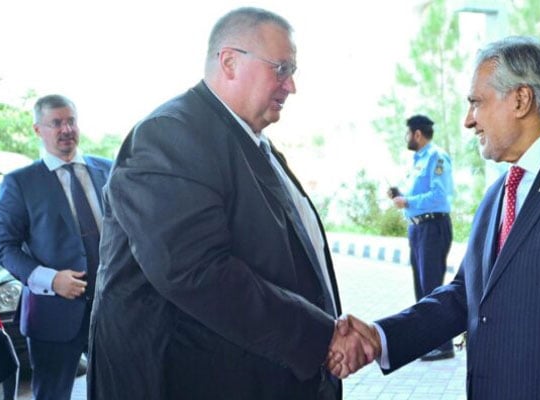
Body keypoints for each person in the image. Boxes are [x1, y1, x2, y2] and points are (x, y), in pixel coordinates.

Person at [328, 36, 540, 399]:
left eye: (476, 103)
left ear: (521, 100)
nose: (468, 121)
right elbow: (466, 295)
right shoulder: (500, 193)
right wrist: (380, 338)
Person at [87, 7, 375, 400]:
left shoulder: (250, 140)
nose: (291, 86)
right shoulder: (170, 134)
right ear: (229, 62)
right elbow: (195, 270)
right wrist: (321, 336)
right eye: (281, 68)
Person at [0, 94, 112, 400]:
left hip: (112, 308)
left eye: (71, 120)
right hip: (52, 314)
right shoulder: (21, 182)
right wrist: (50, 279)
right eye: (56, 123)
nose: (66, 129)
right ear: (38, 130)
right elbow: (4, 246)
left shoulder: (109, 170)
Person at [387, 114, 455, 361]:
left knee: (432, 287)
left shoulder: (436, 157)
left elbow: (439, 196)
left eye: (407, 133)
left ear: (417, 134)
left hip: (432, 227)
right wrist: (400, 195)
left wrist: (408, 201)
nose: (406, 138)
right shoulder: (418, 160)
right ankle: (430, 341)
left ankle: (444, 345)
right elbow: (419, 193)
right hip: (417, 228)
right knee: (421, 288)